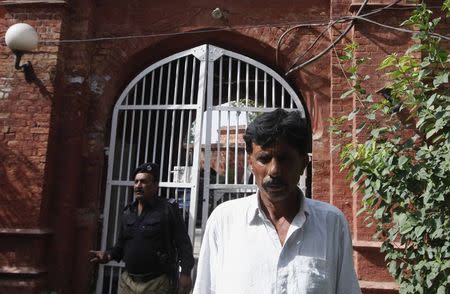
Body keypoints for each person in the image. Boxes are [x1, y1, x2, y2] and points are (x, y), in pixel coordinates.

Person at [193, 109, 361, 294]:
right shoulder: (224, 221)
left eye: (285, 159)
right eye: (264, 159)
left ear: (303, 163)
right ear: (251, 163)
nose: (274, 170)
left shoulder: (331, 223)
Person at [90, 162, 194, 294]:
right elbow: (121, 246)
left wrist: (185, 273)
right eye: (136, 182)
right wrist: (108, 255)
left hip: (157, 283)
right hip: (128, 282)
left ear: (156, 185)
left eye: (144, 182)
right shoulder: (128, 212)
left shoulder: (167, 209)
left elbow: (183, 244)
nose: (138, 185)